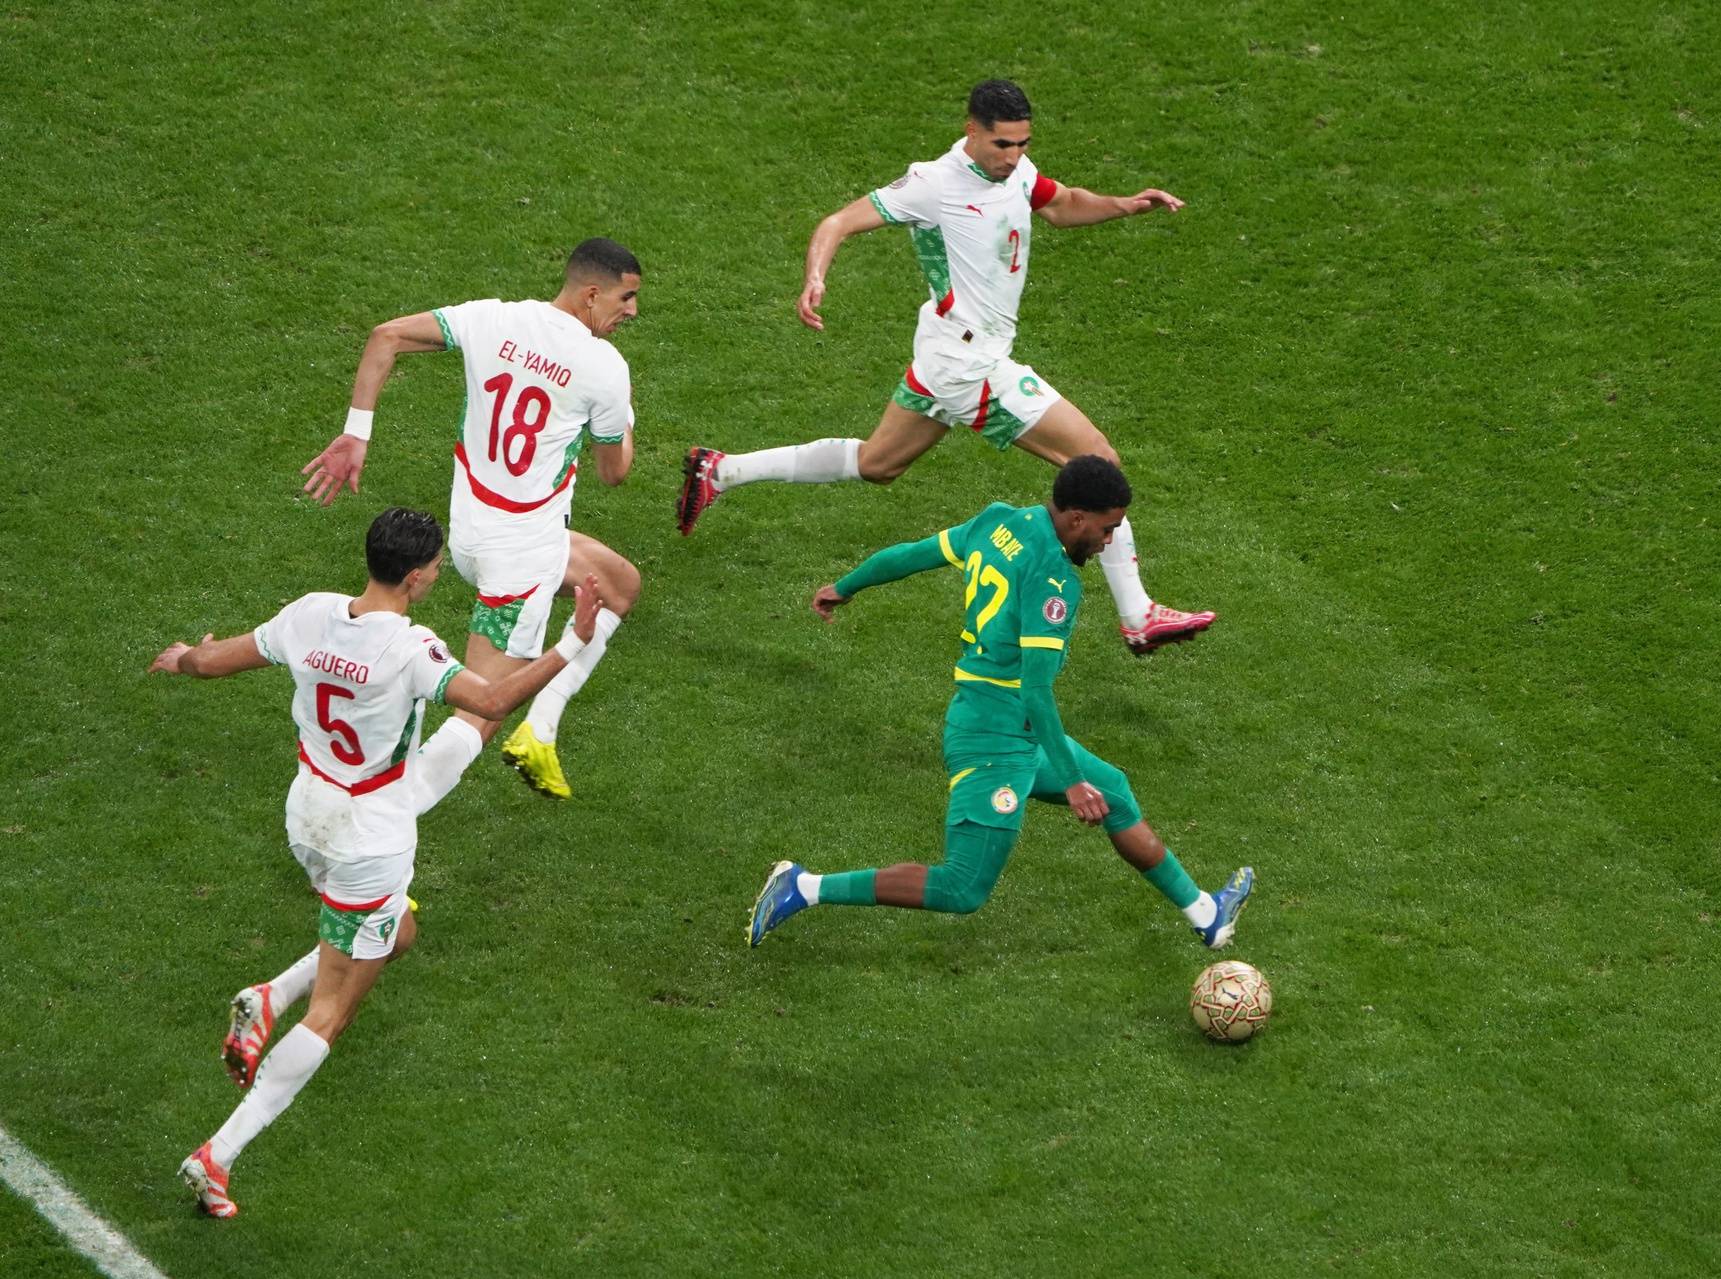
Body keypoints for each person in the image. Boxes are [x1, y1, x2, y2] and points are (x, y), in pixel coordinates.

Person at [151, 508, 602, 1217]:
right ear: (419, 576)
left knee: (397, 935)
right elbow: (488, 698)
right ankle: (217, 1156)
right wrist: (572, 641)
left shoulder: (311, 614)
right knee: (332, 1011)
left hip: (308, 814)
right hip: (368, 838)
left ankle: (268, 995)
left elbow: (212, 661)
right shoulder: (411, 648)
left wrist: (183, 656)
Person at [677, 79, 1216, 657]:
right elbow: (836, 223)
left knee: (877, 464)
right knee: (1097, 463)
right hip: (969, 363)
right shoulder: (933, 184)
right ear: (972, 131)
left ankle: (721, 471)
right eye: (1002, 144)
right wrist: (814, 277)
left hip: (945, 352)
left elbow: (1059, 203)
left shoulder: (1018, 170)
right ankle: (1138, 616)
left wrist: (1124, 205)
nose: (1013, 157)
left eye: (1022, 144)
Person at [748, 456, 1252, 949]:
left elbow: (911, 554)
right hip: (994, 740)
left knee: (1114, 792)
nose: (1108, 543)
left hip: (1005, 724)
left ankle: (1206, 915)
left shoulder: (998, 522)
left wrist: (846, 585)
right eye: (1106, 529)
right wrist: (1073, 782)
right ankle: (804, 886)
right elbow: (1036, 690)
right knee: (963, 888)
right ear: (1077, 518)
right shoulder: (1053, 583)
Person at [301, 237, 646, 799]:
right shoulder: (603, 366)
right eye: (626, 298)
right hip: (520, 562)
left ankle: (542, 726)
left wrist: (355, 433)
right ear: (591, 295)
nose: (632, 311)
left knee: (619, 584)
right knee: (482, 710)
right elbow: (615, 472)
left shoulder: (491, 319)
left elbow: (385, 336)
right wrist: (623, 414)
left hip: (470, 533)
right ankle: (387, 817)